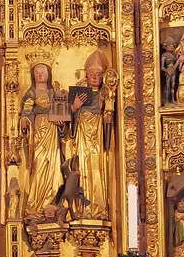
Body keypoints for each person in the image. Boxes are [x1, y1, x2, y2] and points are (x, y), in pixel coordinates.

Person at [69, 50, 115, 219]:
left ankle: (98, 208)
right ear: (86, 76)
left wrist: (108, 113)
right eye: (91, 75)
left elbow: (108, 116)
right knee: (81, 168)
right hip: (82, 135)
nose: (94, 78)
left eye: (98, 75)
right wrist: (74, 108)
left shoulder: (105, 94)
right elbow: (67, 122)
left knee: (96, 169)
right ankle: (83, 209)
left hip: (96, 135)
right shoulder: (79, 94)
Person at [20, 58, 65, 217]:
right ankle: (35, 204)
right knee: (38, 164)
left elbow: (61, 110)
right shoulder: (31, 92)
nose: (40, 75)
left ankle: (50, 202)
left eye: (43, 72)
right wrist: (25, 119)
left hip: (52, 132)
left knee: (53, 165)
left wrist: (61, 123)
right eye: (37, 73)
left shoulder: (54, 92)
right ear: (33, 75)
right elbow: (26, 110)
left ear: (48, 74)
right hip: (39, 130)